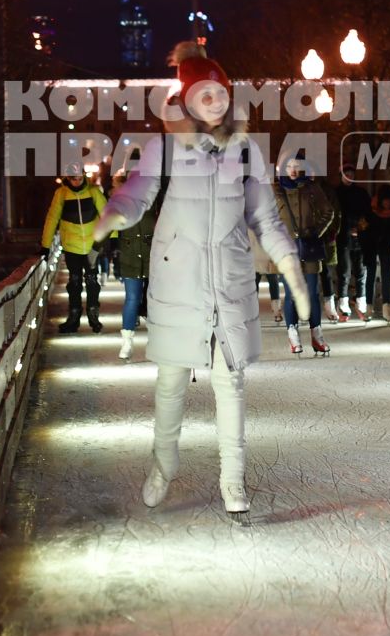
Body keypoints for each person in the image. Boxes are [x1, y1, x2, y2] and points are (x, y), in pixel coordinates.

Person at [95, 42, 310, 515]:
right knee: (171, 382)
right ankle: (163, 465)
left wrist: (289, 264)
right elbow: (138, 194)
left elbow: (265, 219)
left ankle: (234, 480)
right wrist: (112, 214)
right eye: (203, 92)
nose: (213, 99)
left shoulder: (246, 151)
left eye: (219, 91)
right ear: (188, 100)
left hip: (229, 279)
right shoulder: (164, 149)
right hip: (179, 280)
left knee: (230, 381)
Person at [274, 155, 338, 356]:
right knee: (292, 294)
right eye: (289, 166)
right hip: (286, 250)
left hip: (310, 248)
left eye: (297, 166)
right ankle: (293, 334)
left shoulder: (311, 189)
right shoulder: (276, 190)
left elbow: (329, 212)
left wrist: (315, 231)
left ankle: (316, 335)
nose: (293, 170)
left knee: (312, 293)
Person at [40, 165, 107, 334]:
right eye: (73, 178)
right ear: (67, 178)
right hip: (71, 247)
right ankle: (74, 318)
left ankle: (93, 315)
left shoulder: (94, 192)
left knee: (92, 282)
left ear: (84, 176)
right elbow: (52, 218)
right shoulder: (61, 194)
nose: (76, 182)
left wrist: (110, 240)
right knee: (74, 283)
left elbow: (108, 215)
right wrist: (45, 245)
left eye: (79, 178)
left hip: (92, 246)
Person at [111, 163, 158, 361]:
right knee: (131, 299)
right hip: (130, 258)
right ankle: (127, 342)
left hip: (152, 257)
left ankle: (157, 341)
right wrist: (102, 248)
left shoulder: (154, 200)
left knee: (154, 300)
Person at [362, 183, 390, 320]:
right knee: (371, 274)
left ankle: (387, 306)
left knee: (386, 273)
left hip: (387, 245)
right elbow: (363, 226)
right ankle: (369, 307)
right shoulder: (371, 208)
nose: (387, 203)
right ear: (380, 200)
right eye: (385, 200)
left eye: (389, 201)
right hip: (371, 244)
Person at [334, 179, 372, 320]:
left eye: (351, 173)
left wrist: (362, 228)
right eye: (346, 174)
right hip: (343, 238)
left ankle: (361, 301)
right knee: (344, 272)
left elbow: (369, 213)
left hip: (360, 238)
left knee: (361, 271)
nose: (349, 177)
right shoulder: (337, 193)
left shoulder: (361, 193)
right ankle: (343, 303)